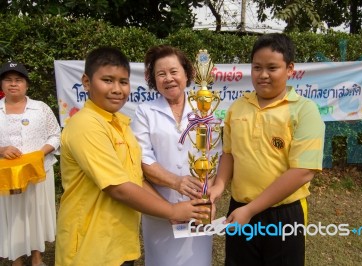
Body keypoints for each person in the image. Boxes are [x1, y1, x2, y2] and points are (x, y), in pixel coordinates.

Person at [55, 46, 210, 266]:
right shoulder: (86, 126)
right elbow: (118, 187)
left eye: (123, 82)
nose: (117, 89)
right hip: (90, 246)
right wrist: (171, 209)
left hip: (119, 242)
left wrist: (173, 211)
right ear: (87, 82)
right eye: (107, 80)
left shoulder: (121, 125)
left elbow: (135, 177)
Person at [208, 33, 325, 266]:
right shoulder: (238, 107)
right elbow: (229, 154)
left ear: (290, 69)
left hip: (283, 213)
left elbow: (303, 171)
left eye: (272, 68)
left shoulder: (304, 110)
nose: (263, 75)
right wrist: (219, 186)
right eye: (256, 67)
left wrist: (251, 210)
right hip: (239, 208)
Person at [131, 45, 219, 266]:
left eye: (174, 71)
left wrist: (209, 198)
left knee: (197, 260)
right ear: (153, 79)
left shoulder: (204, 108)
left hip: (197, 207)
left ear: (186, 73)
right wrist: (175, 184)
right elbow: (143, 158)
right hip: (159, 204)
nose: (168, 78)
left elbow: (214, 156)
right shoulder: (145, 111)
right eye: (161, 74)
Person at [0, 61, 61, 266]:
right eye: (8, 80)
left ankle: (37, 257)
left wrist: (39, 154)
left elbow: (55, 135)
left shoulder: (40, 108)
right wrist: (1, 150)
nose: (13, 84)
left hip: (38, 171)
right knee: (12, 215)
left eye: (18, 80)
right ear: (2, 85)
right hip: (7, 176)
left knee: (36, 214)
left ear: (26, 85)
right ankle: (16, 259)